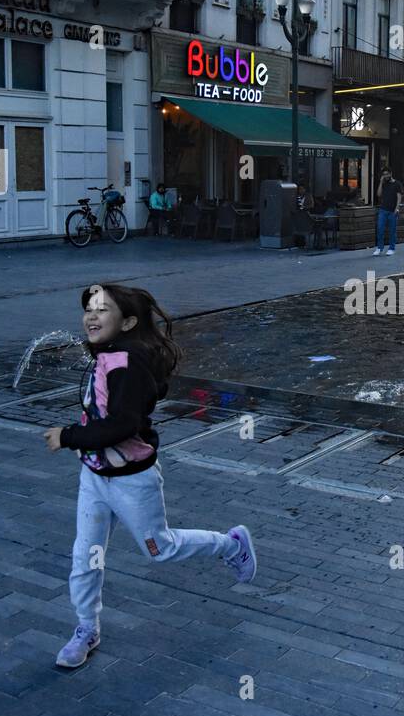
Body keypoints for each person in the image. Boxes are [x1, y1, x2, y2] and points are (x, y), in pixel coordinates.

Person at [42, 284, 256, 668]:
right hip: (94, 478)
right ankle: (86, 628)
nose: (91, 316)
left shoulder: (129, 364)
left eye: (102, 310)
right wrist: (85, 442)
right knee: (85, 556)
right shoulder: (108, 356)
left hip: (132, 483)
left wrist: (68, 436)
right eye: (89, 309)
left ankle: (231, 544)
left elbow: (123, 424)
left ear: (127, 322)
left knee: (161, 549)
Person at [374, 167, 401, 256]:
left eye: (387, 174)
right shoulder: (384, 183)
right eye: (384, 174)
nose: (385, 176)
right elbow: (378, 194)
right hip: (383, 210)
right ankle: (379, 248)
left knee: (392, 231)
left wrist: (396, 209)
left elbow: (399, 197)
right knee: (380, 229)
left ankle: (391, 248)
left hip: (392, 211)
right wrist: (381, 182)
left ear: (391, 173)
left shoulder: (397, 184)